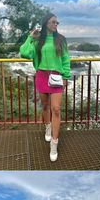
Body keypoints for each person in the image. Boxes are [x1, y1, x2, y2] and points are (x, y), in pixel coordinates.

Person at [20, 13, 71, 162]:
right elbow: (23, 53)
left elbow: (66, 59)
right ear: (46, 24)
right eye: (53, 22)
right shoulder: (38, 41)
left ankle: (54, 144)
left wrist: (66, 77)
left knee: (56, 108)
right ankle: (47, 126)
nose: (56, 24)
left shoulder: (61, 40)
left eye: (57, 22)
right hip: (42, 76)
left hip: (56, 77)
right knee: (45, 106)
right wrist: (30, 37)